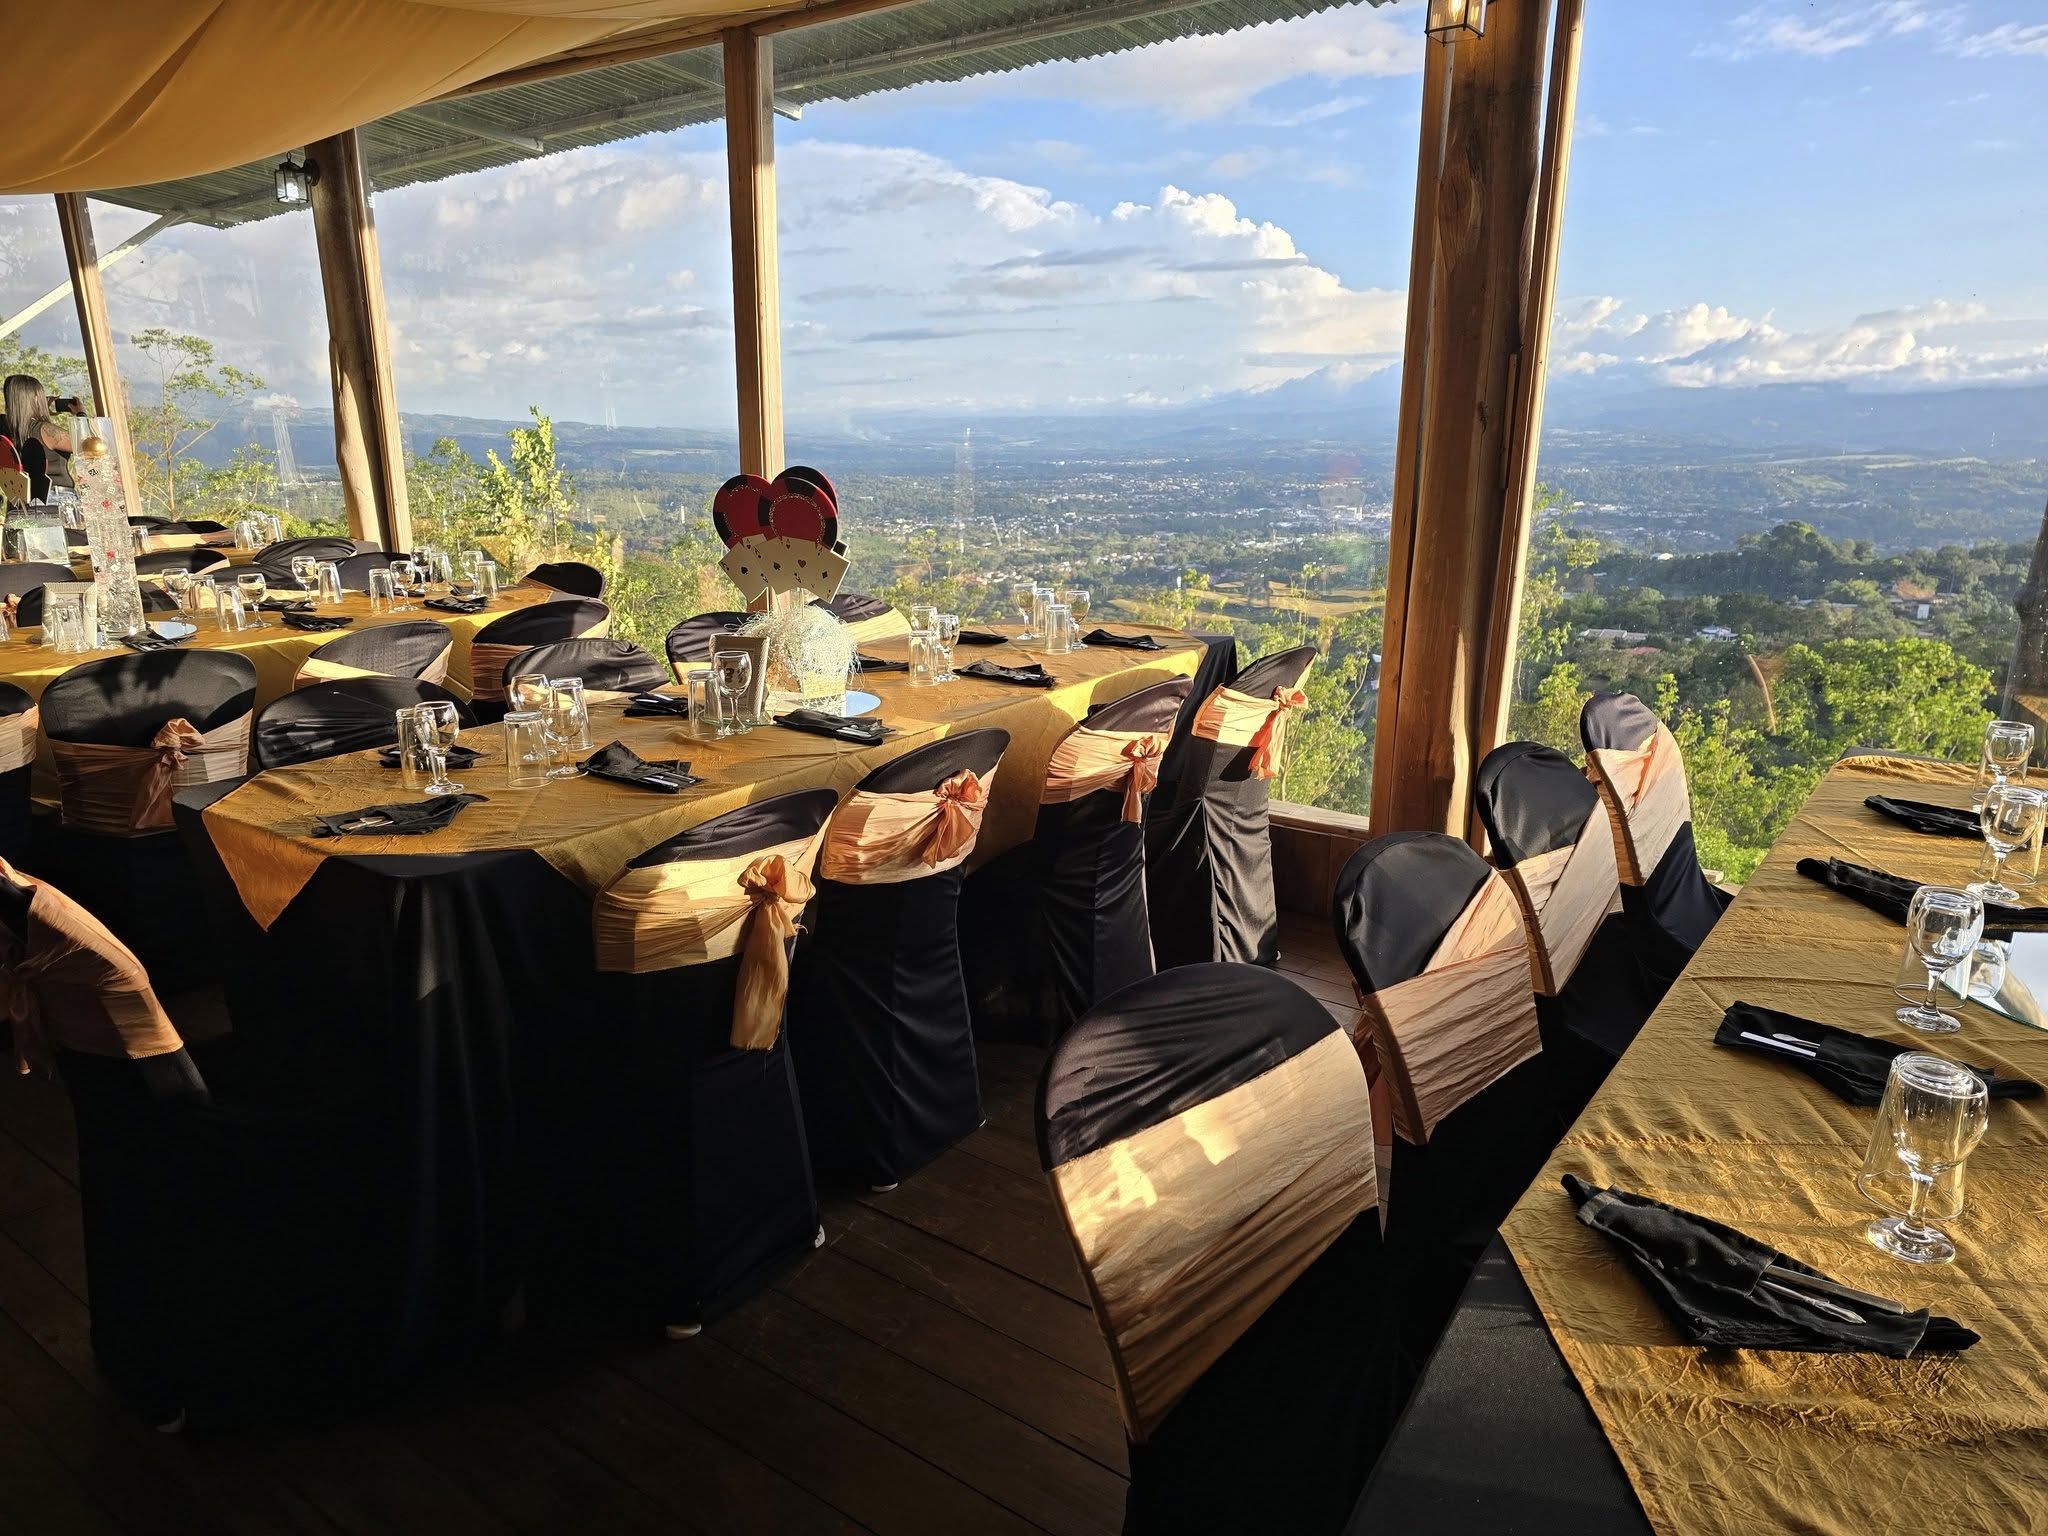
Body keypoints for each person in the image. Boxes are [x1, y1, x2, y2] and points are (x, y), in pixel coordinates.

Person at [1, 374, 82, 501]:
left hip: (19, 502)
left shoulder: (4, 427)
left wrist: (39, 411)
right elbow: (87, 444)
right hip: (54, 499)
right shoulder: (45, 430)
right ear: (37, 398)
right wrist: (80, 414)